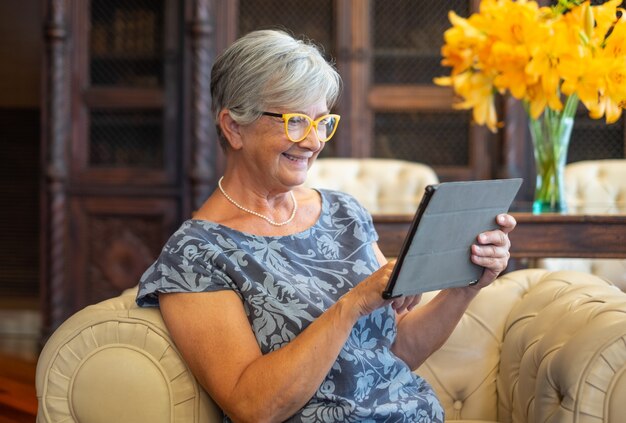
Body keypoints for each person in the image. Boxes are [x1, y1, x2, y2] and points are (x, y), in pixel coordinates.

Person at [137, 29, 516, 423]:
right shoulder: (196, 254)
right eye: (296, 121)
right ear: (234, 127)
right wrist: (351, 305)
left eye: (322, 122)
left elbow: (398, 350)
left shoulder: (344, 214)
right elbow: (252, 406)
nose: (314, 141)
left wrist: (467, 286)